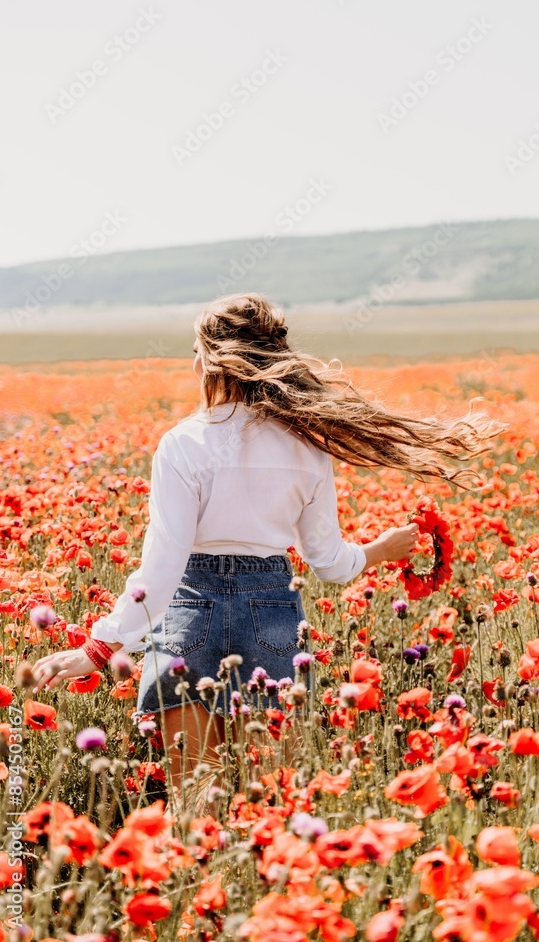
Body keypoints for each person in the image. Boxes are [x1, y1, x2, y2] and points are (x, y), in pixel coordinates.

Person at [31, 292, 506, 791]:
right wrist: (380, 550)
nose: (193, 362)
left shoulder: (184, 443)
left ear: (216, 359)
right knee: (271, 805)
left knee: (197, 806)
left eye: (197, 350)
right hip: (273, 618)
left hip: (189, 617)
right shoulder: (307, 447)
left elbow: (162, 572)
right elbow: (327, 562)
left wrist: (100, 648)